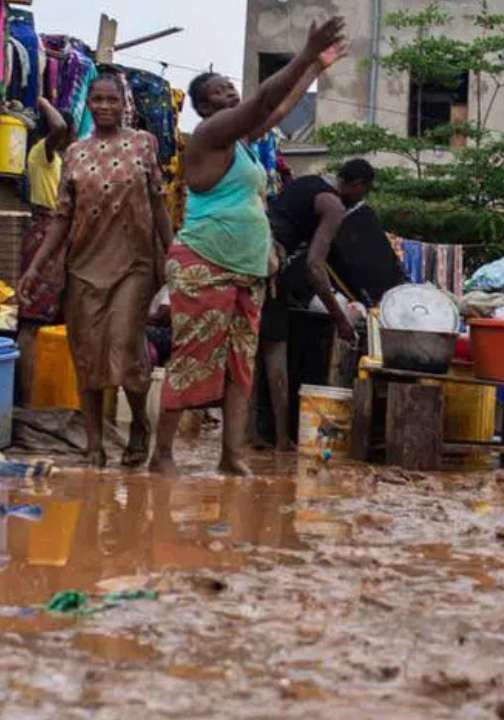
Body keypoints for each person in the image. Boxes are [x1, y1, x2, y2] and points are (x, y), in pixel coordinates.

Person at [149, 17, 347, 476]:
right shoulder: (210, 136)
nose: (230, 94)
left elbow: (273, 113)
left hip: (248, 269)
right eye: (219, 91)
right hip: (205, 264)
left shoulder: (239, 145)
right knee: (193, 362)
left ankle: (232, 456)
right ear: (202, 106)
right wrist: (303, 53)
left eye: (229, 88)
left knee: (241, 367)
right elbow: (262, 101)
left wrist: (314, 68)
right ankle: (162, 456)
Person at [18, 73, 175, 468]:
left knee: (124, 346)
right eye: (97, 99)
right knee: (86, 356)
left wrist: (173, 256)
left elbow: (158, 205)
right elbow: (61, 218)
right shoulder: (74, 152)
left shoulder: (143, 143)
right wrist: (36, 269)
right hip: (83, 266)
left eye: (112, 99)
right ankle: (94, 444)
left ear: (125, 103)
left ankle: (139, 423)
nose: (105, 106)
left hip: (134, 264)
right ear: (88, 104)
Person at [254, 158, 374, 451]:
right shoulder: (333, 206)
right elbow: (314, 267)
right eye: (365, 192)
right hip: (267, 267)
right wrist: (341, 320)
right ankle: (282, 438)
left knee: (250, 352)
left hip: (249, 252)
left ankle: (249, 435)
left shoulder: (307, 182)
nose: (361, 199)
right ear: (357, 185)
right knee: (275, 353)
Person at [16, 98, 75, 404]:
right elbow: (60, 126)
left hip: (60, 236)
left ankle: (47, 397)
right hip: (45, 234)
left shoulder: (61, 161)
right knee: (33, 321)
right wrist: (38, 97)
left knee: (52, 321)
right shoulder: (44, 153)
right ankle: (27, 401)